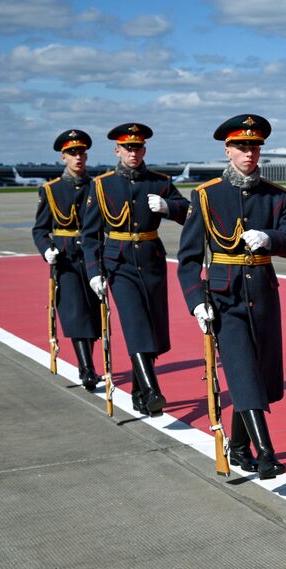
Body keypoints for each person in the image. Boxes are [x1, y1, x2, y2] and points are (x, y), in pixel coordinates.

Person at [177, 114, 286, 479]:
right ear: (228, 150)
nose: (250, 152)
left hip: (263, 296)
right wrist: (195, 301)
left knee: (257, 377)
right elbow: (188, 259)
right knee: (244, 371)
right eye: (242, 146)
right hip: (224, 298)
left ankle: (237, 446)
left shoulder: (276, 196)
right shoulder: (206, 195)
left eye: (255, 146)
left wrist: (271, 238)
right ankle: (266, 453)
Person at [80, 122, 189, 415]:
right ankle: (152, 390)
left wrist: (169, 207)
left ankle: (140, 392)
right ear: (117, 150)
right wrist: (93, 271)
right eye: (128, 148)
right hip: (118, 263)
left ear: (144, 149)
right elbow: (89, 235)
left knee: (152, 326)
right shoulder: (101, 185)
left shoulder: (160, 181)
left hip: (152, 260)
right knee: (134, 321)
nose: (133, 152)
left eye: (138, 147)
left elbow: (189, 212)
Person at [32, 129, 100, 391]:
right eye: (73, 153)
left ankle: (89, 362)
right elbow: (40, 229)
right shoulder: (51, 190)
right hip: (66, 258)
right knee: (75, 312)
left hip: (93, 256)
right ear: (63, 157)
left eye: (82, 152)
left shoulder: (97, 186)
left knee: (93, 313)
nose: (78, 157)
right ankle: (86, 368)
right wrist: (47, 248)